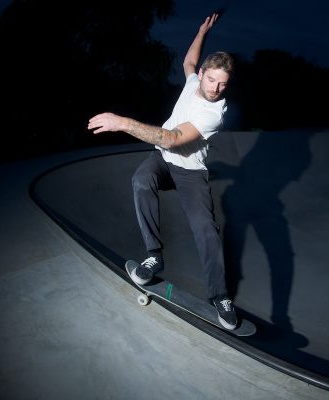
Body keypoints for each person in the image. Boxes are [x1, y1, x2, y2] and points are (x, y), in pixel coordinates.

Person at [87, 13, 237, 330]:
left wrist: (123, 123)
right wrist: (201, 31)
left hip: (190, 173)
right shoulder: (194, 80)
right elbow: (189, 61)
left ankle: (220, 295)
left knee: (206, 229)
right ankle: (154, 254)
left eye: (223, 84)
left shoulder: (214, 113)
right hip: (163, 162)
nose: (216, 89)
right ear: (203, 75)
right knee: (141, 179)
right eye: (211, 80)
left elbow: (171, 138)